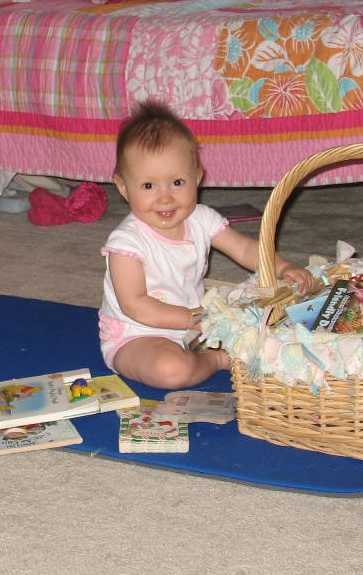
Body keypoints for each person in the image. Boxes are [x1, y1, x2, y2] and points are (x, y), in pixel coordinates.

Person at [99, 101, 314, 390]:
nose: (165, 198)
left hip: (199, 324)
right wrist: (188, 318)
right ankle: (217, 360)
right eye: (148, 186)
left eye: (177, 182)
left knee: (277, 324)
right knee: (171, 370)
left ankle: (217, 349)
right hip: (138, 336)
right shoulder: (126, 243)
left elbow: (246, 249)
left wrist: (284, 267)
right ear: (124, 187)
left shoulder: (202, 218)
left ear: (197, 177)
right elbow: (135, 304)